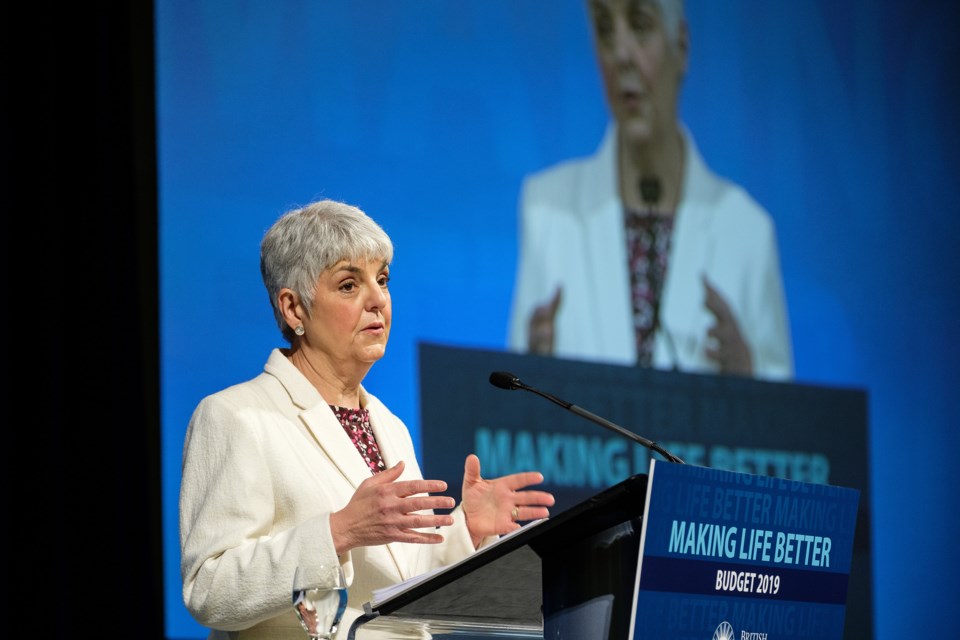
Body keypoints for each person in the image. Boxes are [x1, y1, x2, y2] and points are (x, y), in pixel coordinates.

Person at [179, 198, 556, 639]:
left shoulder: (388, 424)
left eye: (382, 280)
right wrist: (337, 532)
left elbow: (398, 591)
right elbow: (209, 588)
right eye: (348, 285)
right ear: (294, 309)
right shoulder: (237, 416)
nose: (378, 299)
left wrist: (464, 532)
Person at [508, 0, 794, 381]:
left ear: (683, 46)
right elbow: (511, 406)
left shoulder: (746, 231)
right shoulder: (547, 210)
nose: (621, 54)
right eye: (605, 30)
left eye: (640, 25)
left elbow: (790, 426)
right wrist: (532, 369)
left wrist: (748, 378)